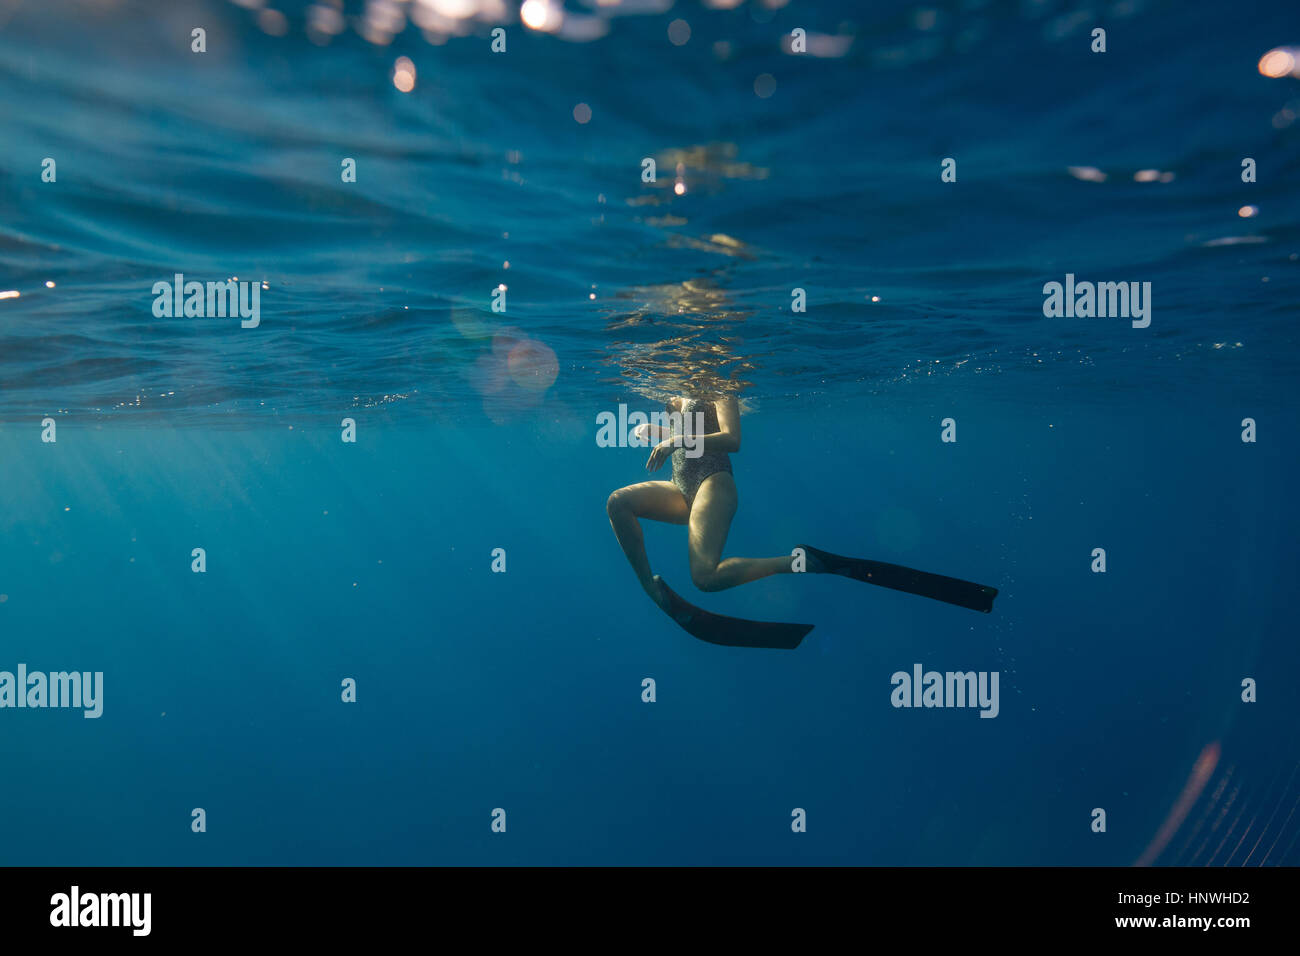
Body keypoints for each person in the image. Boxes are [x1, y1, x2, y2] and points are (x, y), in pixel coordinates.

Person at [605, 393, 795, 611]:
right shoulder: (678, 385)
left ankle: (796, 562)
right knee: (618, 503)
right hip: (680, 486)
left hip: (713, 481)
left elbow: (732, 439)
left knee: (705, 578)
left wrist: (676, 441)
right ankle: (650, 587)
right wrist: (658, 432)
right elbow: (691, 435)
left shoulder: (719, 386)